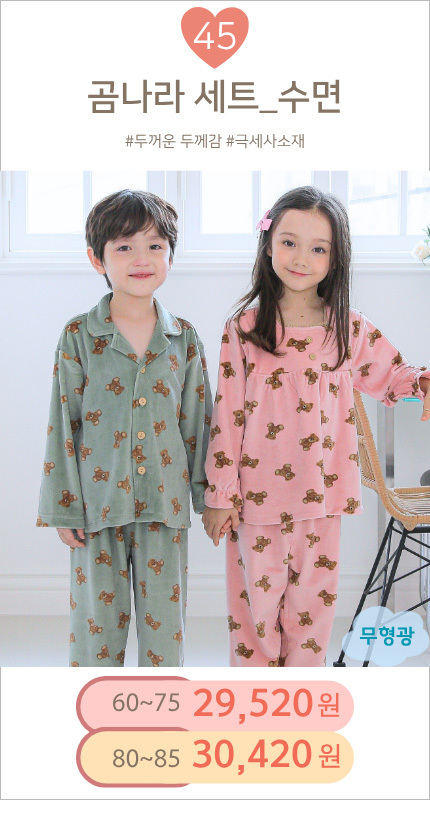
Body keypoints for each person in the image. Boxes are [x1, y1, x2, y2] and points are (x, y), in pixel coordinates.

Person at [202, 186, 430, 667]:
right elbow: (227, 415)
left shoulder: (348, 327)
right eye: (289, 242)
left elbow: (392, 376)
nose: (301, 258)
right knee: (255, 620)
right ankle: (255, 702)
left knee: (311, 621)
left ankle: (303, 698)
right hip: (256, 502)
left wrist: (422, 384)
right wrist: (220, 494)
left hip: (322, 500)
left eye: (318, 248)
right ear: (268, 244)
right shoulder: (244, 329)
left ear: (335, 257)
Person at [37, 189, 212, 667]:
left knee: (165, 634)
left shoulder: (184, 337)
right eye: (124, 247)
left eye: (155, 246)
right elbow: (63, 422)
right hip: (97, 507)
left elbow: (198, 422)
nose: (141, 258)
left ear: (171, 257)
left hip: (165, 505)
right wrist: (64, 508)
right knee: (95, 635)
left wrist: (209, 499)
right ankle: (96, 706)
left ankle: (161, 705)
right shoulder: (79, 335)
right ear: (97, 259)